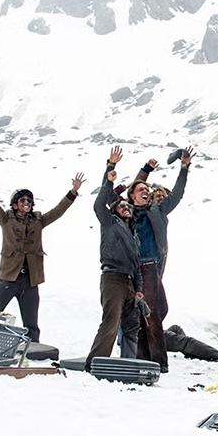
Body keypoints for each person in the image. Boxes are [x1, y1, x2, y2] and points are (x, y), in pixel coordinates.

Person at [0, 161, 84, 341]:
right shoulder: (5, 219)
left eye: (29, 200)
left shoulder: (38, 221)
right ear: (15, 204)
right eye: (23, 200)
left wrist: (73, 192)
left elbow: (58, 211)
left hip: (31, 280)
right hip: (10, 277)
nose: (27, 202)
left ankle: (33, 352)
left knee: (31, 323)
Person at [125, 148, 193, 373]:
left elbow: (177, 194)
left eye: (147, 189)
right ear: (134, 196)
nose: (145, 191)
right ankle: (155, 361)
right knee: (150, 313)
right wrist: (145, 171)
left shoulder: (158, 210)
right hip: (136, 269)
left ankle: (149, 357)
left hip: (151, 267)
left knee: (156, 311)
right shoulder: (128, 212)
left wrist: (184, 168)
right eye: (141, 190)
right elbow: (131, 189)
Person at [87, 150, 144, 366]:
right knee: (110, 322)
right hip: (112, 279)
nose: (126, 207)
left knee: (131, 325)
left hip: (129, 281)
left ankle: (128, 363)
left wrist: (139, 288)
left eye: (128, 206)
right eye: (121, 205)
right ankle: (96, 362)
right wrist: (110, 170)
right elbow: (99, 204)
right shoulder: (109, 223)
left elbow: (137, 264)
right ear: (115, 211)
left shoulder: (133, 234)